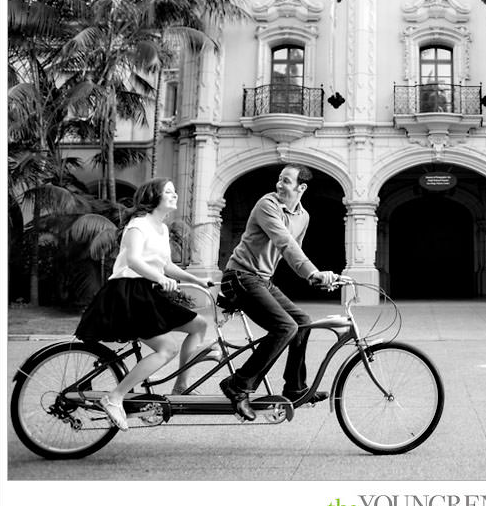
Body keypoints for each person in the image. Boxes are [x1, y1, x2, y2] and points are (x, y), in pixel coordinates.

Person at [75, 177, 214, 431]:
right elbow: (134, 260)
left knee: (199, 325)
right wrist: (160, 278)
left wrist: (198, 280)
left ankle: (181, 387)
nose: (174, 195)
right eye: (168, 192)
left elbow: (167, 266)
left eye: (174, 191)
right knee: (166, 349)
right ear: (154, 197)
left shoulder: (161, 228)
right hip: (127, 292)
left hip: (146, 291)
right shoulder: (138, 225)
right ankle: (114, 397)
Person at [219, 163, 338, 420]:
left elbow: (295, 251)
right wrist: (313, 272)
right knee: (285, 327)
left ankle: (294, 389)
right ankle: (238, 385)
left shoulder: (303, 216)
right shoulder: (267, 204)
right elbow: (283, 242)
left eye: (286, 181)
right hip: (240, 276)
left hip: (262, 279)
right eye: (280, 179)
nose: (279, 185)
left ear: (301, 187)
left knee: (303, 322)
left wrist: (316, 278)